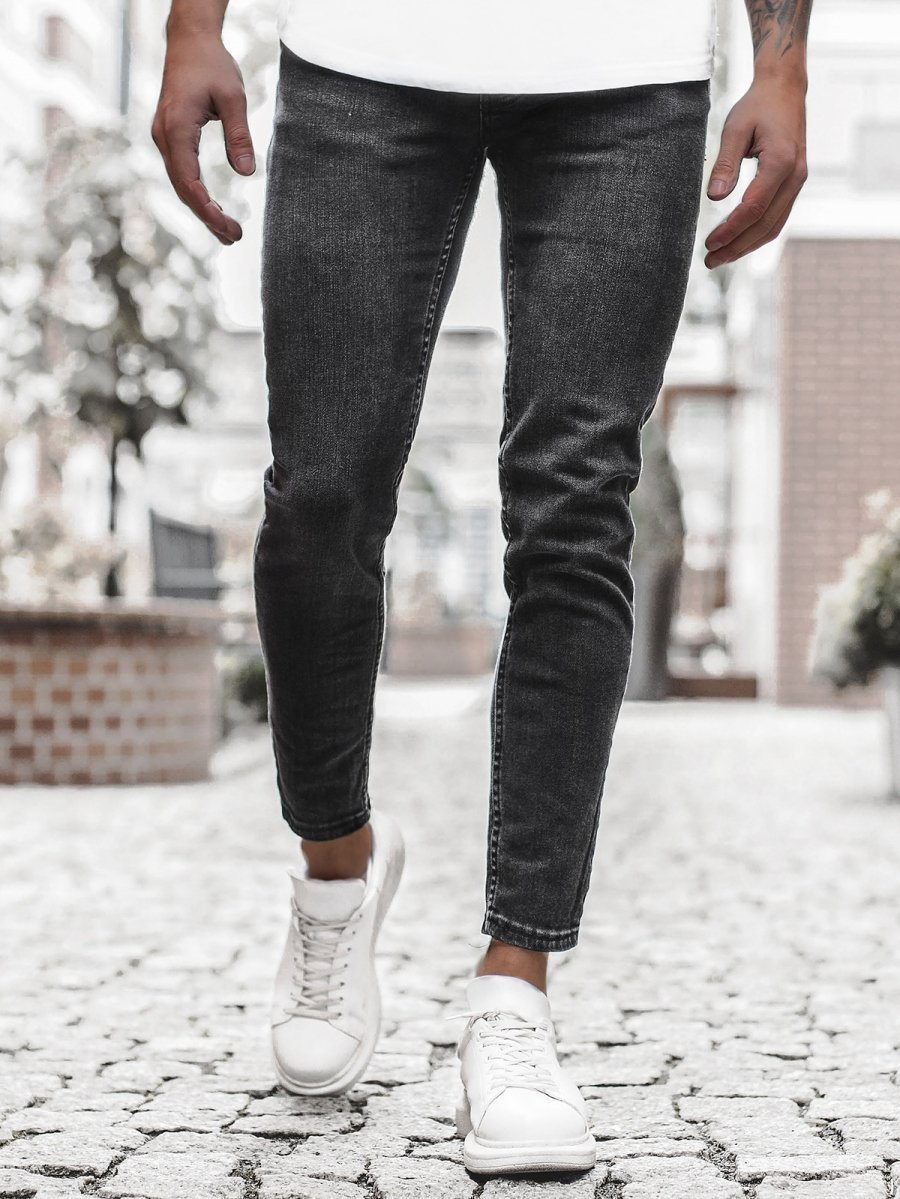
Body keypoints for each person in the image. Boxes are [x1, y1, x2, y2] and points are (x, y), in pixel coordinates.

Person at [153, 0, 811, 1175]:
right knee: (319, 498)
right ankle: (337, 870)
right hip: (363, 47)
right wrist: (191, 24)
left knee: (576, 512)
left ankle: (516, 990)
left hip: (627, 66)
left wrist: (784, 62)